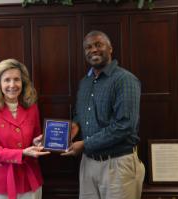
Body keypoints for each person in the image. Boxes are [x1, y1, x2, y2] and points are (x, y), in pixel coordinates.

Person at [62, 31, 145, 199]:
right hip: (88, 163)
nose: (93, 50)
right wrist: (75, 125)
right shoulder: (84, 83)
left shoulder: (125, 80)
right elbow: (80, 114)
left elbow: (125, 126)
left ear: (110, 48)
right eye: (88, 47)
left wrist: (84, 144)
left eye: (98, 45)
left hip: (117, 164)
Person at [0, 59, 50, 199]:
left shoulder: (32, 109)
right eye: (7, 80)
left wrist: (37, 143)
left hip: (29, 179)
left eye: (17, 79)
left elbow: (35, 141)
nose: (12, 85)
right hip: (0, 181)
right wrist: (22, 153)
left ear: (23, 83)